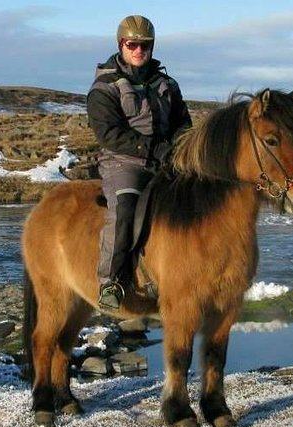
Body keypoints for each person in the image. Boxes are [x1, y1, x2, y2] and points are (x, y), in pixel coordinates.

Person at [87, 15, 192, 310]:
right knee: (126, 209)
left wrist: (180, 146)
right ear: (121, 44)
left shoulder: (167, 84)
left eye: (145, 45)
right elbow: (110, 134)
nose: (139, 50)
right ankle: (112, 281)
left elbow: (182, 122)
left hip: (165, 161)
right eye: (132, 44)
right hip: (123, 162)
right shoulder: (104, 87)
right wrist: (155, 149)